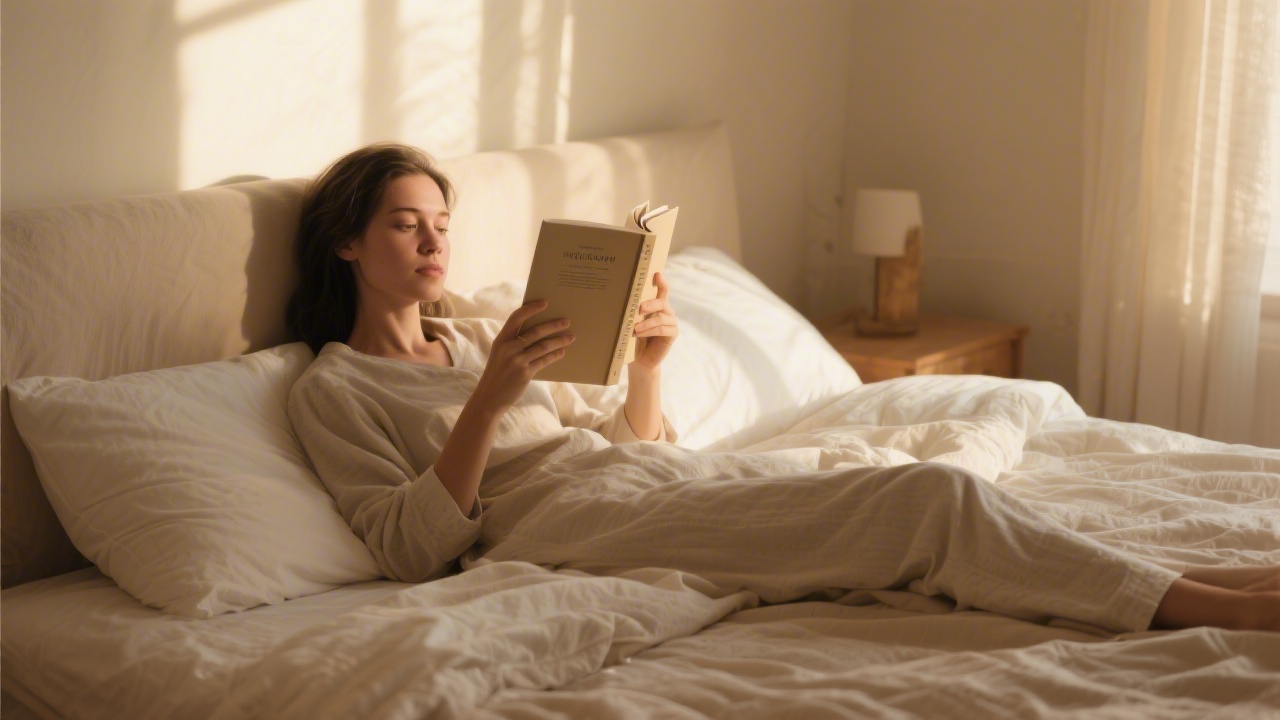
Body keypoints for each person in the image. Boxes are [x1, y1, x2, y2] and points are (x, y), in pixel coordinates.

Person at [285, 142, 1279, 634]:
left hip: (627, 486)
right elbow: (410, 551)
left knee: (897, 496)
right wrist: (489, 403)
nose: (432, 242)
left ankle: (1206, 583)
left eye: (439, 223)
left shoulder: (474, 336)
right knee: (920, 496)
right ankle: (1212, 609)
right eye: (405, 224)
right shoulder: (333, 388)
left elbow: (638, 446)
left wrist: (646, 366)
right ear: (346, 242)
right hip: (551, 527)